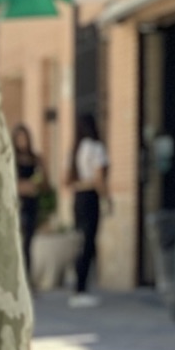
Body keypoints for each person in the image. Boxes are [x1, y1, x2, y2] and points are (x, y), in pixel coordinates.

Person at [67, 112, 109, 307]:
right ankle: (81, 288)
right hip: (90, 197)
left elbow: (66, 179)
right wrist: (106, 198)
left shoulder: (75, 150)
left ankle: (78, 286)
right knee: (89, 242)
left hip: (78, 197)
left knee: (80, 241)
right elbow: (99, 178)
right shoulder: (96, 147)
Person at [11, 122, 47, 279]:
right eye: (19, 138)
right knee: (17, 242)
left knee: (28, 243)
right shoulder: (12, 159)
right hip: (17, 204)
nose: (22, 141)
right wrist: (21, 187)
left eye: (24, 138)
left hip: (32, 204)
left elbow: (45, 182)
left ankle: (27, 277)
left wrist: (37, 182)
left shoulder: (36, 159)